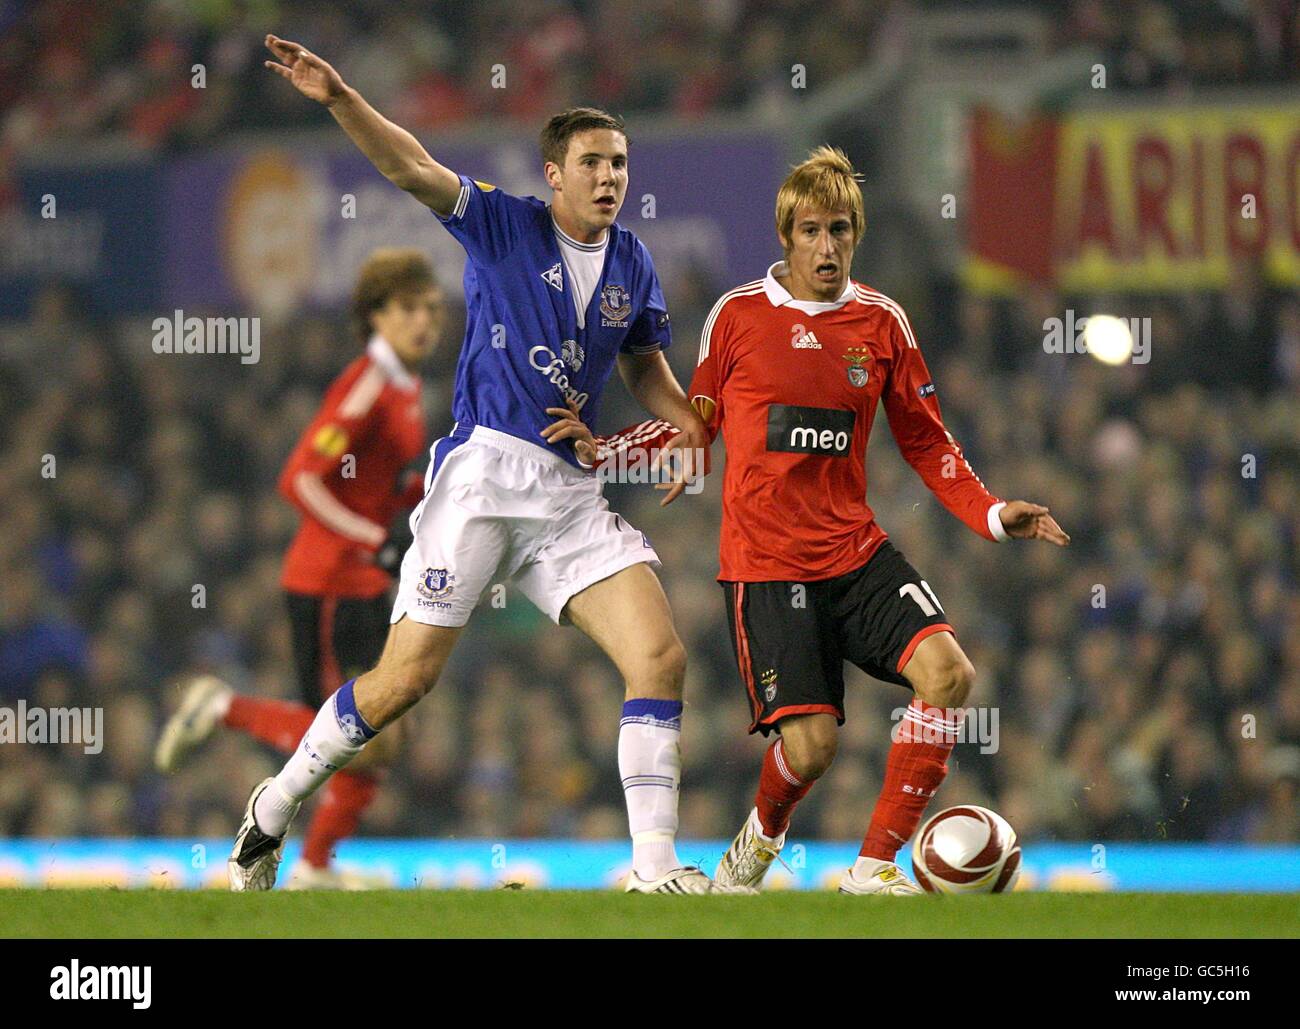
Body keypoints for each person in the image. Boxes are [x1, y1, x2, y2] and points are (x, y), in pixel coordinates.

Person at [227, 34, 745, 894]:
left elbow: (642, 366)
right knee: (402, 682)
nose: (611, 177)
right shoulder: (505, 223)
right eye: (592, 163)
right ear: (554, 173)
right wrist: (340, 96)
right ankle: (273, 808)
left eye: (619, 163)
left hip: (572, 494)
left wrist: (686, 418)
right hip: (484, 479)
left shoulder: (633, 261)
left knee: (659, 657)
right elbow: (411, 167)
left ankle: (654, 872)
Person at [562, 146, 1070, 894]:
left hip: (857, 553)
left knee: (950, 674)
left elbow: (925, 439)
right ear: (785, 236)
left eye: (839, 230)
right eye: (810, 230)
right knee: (813, 747)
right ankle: (762, 835)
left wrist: (992, 513)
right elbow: (694, 421)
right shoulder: (736, 317)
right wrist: (607, 451)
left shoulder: (882, 324)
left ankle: (873, 868)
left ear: (855, 235)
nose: (825, 247)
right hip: (767, 566)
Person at [155, 248, 440, 889]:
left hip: (364, 580)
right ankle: (226, 711)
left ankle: (313, 865)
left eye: (429, 308)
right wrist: (373, 536)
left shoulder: (405, 385)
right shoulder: (369, 382)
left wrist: (430, 492)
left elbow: (377, 482)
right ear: (375, 317)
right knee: (355, 733)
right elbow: (301, 480)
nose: (423, 321)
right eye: (406, 309)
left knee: (382, 729)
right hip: (327, 582)